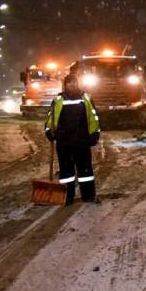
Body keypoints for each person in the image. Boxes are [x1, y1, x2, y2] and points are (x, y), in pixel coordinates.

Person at [44, 73, 101, 205]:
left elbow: (94, 118)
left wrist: (95, 134)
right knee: (66, 172)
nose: (72, 85)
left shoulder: (86, 99)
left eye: (74, 82)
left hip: (82, 141)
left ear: (78, 84)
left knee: (86, 171)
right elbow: (51, 119)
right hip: (64, 142)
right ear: (65, 85)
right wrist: (49, 132)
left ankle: (88, 196)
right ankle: (67, 197)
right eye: (69, 83)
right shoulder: (58, 100)